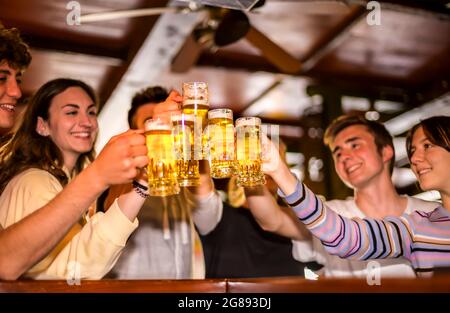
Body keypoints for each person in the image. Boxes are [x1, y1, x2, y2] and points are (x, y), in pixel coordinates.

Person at [0, 27, 148, 280]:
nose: (87, 122)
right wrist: (98, 174)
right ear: (42, 125)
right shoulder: (34, 181)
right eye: (71, 112)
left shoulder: (61, 185)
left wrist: (142, 183)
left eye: (91, 112)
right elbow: (70, 269)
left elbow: (81, 261)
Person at [251, 115, 438, 278]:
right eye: (337, 153)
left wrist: (280, 171)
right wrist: (248, 171)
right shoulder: (330, 212)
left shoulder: (431, 214)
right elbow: (272, 221)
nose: (344, 157)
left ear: (386, 151)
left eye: (355, 145)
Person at [104, 86, 223, 279]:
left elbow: (208, 222)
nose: (162, 125)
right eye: (150, 121)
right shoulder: (125, 171)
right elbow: (111, 212)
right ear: (136, 131)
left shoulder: (185, 174)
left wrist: (193, 141)